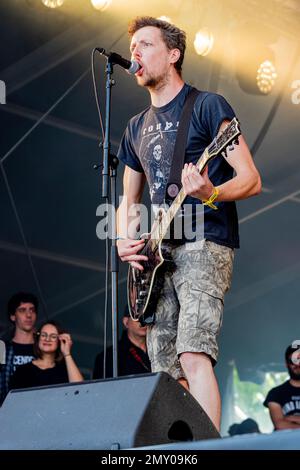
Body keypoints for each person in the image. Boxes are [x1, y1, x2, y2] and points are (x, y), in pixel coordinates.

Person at [116, 16, 261, 431]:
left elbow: (251, 179)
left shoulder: (208, 106)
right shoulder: (134, 128)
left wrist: (209, 193)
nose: (135, 54)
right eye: (133, 48)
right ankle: (177, 452)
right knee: (164, 370)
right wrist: (126, 241)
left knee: (193, 352)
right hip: (158, 254)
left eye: (145, 45)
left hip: (205, 241)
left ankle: (207, 450)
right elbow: (130, 201)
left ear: (174, 54)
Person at [9, 321, 83, 390]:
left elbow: (80, 390)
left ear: (59, 341)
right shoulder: (22, 371)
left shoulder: (65, 370)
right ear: (38, 339)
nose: (47, 339)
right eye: (43, 335)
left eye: (53, 336)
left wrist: (67, 354)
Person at [0, 292, 38, 405]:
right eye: (22, 310)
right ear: (12, 316)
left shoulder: (43, 348)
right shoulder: (3, 349)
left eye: (32, 310)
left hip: (38, 408)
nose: (28, 315)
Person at [93, 307, 151, 379]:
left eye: (147, 316)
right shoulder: (110, 356)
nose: (143, 322)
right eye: (137, 317)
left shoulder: (160, 349)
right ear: (126, 322)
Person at [264, 344, 300, 430]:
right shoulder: (275, 394)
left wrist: (288, 418)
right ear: (287, 363)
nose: (297, 364)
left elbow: (283, 423)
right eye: (293, 361)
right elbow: (280, 425)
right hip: (285, 443)